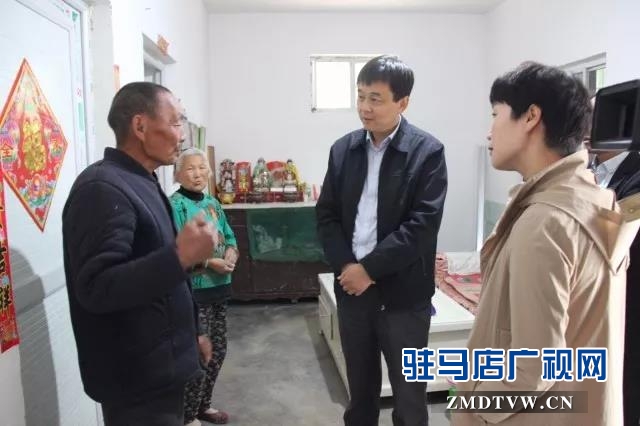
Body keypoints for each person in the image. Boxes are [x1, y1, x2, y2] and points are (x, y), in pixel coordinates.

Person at [452, 62, 638, 426]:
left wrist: (471, 397)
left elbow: (532, 368)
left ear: (530, 117)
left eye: (495, 115)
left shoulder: (544, 222)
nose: (489, 131)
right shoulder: (596, 202)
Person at [62, 82, 216, 426]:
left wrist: (192, 332)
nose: (182, 135)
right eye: (175, 122)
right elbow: (98, 287)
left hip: (161, 368)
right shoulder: (102, 188)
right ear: (141, 126)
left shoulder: (142, 180)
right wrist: (181, 255)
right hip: (135, 379)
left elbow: (164, 278)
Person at [316, 55, 448, 426]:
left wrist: (369, 270)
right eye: (360, 96)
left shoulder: (427, 152)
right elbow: (327, 216)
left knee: (409, 398)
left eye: (375, 99)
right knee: (360, 393)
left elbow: (422, 225)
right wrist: (348, 267)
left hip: (404, 298)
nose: (364, 107)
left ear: (402, 102)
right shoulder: (343, 150)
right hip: (353, 293)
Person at [170, 148, 238, 425]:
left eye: (201, 168)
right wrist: (210, 262)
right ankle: (187, 417)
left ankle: (203, 405)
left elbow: (228, 235)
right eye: (190, 168)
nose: (197, 174)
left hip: (219, 288)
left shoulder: (213, 202)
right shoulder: (176, 205)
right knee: (198, 355)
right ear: (177, 174)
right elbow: (177, 250)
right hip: (195, 292)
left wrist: (231, 251)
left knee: (218, 352)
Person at [587, 144, 640, 425]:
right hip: (590, 303)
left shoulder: (637, 175)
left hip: (627, 303)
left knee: (622, 393)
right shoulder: (584, 171)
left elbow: (616, 239)